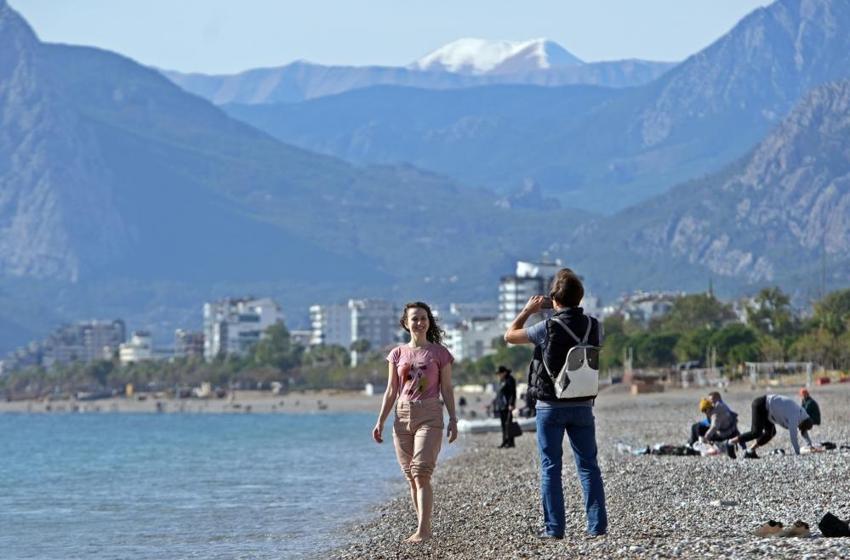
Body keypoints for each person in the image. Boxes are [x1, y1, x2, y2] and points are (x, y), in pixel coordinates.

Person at [504, 268, 607, 539]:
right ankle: (596, 527)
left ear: (554, 299)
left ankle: (554, 529)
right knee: (588, 466)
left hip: (550, 405)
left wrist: (528, 310)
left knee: (551, 467)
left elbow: (510, 335)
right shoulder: (595, 325)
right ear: (580, 297)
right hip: (583, 403)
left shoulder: (547, 327)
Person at [372, 301, 458, 543]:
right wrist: (380, 421)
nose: (419, 322)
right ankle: (422, 525)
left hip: (430, 414)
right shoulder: (397, 353)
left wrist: (453, 419)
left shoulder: (440, 353)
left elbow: (447, 389)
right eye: (414, 318)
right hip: (402, 415)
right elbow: (391, 390)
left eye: (423, 318)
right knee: (410, 475)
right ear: (405, 323)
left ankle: (423, 530)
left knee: (421, 472)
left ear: (429, 321)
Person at [729, 394, 814, 458]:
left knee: (771, 433)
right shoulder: (795, 416)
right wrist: (798, 453)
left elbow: (804, 431)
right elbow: (793, 436)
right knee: (755, 432)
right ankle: (731, 442)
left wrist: (810, 445)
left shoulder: (802, 415)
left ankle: (750, 451)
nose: (799, 428)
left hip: (768, 410)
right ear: (803, 423)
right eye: (801, 427)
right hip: (761, 405)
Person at [494, 365, 517, 448]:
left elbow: (513, 393)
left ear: (504, 372)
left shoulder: (510, 380)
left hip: (508, 406)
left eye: (499, 373)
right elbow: (499, 393)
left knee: (508, 424)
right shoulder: (501, 380)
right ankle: (504, 441)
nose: (498, 375)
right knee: (503, 425)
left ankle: (510, 442)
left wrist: (511, 404)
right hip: (501, 406)